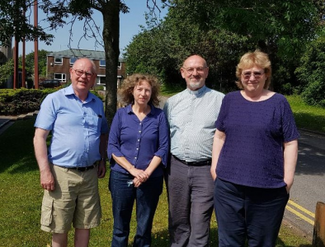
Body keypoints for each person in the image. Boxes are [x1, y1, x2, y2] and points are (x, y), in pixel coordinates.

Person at [211, 50, 299, 247]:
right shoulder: (230, 100)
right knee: (228, 243)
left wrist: (288, 180)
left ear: (266, 75)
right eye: (246, 74)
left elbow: (291, 142)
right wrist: (214, 168)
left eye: (257, 73)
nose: (251, 78)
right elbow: (219, 135)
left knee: (261, 243)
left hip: (268, 191)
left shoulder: (279, 103)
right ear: (240, 76)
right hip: (228, 187)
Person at [33, 58, 108, 247]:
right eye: (80, 72)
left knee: (85, 225)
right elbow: (39, 137)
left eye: (88, 74)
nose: (83, 76)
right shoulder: (54, 100)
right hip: (61, 175)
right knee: (60, 226)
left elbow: (103, 133)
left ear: (93, 79)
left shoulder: (97, 104)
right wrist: (45, 171)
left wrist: (102, 160)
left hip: (89, 175)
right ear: (71, 72)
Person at [164, 55, 225, 247]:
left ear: (206, 72)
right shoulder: (171, 103)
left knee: (199, 222)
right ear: (182, 73)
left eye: (199, 69)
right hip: (176, 168)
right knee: (178, 220)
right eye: (190, 69)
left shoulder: (220, 101)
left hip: (206, 170)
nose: (195, 73)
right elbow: (164, 136)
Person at [107, 73, 169, 247]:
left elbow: (163, 148)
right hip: (121, 177)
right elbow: (112, 146)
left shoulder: (159, 116)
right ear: (132, 91)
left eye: (147, 90)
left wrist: (146, 173)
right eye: (139, 89)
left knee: (144, 226)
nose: (143, 93)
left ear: (152, 93)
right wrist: (133, 170)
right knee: (120, 226)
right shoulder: (121, 115)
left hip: (151, 179)